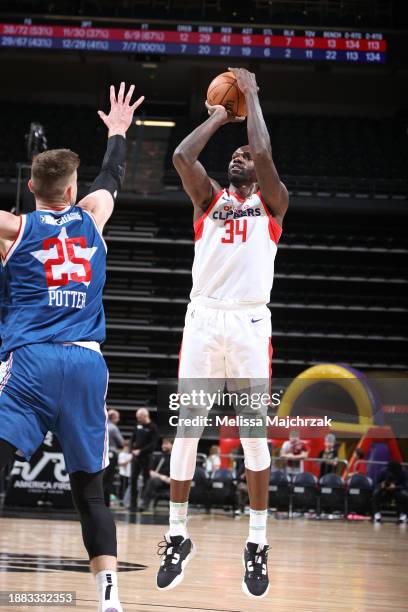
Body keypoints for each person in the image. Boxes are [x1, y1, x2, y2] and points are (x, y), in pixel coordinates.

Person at [0, 82, 144, 612]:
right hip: (86, 362)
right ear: (70, 189)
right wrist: (118, 132)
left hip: (32, 362)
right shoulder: (93, 217)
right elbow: (112, 177)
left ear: (35, 188)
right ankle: (109, 599)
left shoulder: (14, 228)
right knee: (91, 492)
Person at [156, 67, 289, 598]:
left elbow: (265, 153)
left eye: (245, 156)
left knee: (253, 436)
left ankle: (256, 542)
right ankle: (176, 534)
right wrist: (216, 116)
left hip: (250, 322)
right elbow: (183, 158)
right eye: (234, 155)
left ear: (257, 169)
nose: (239, 156)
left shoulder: (273, 202)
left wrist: (251, 94)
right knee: (188, 430)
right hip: (204, 318)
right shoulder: (208, 199)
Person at [129, 407, 158, 511]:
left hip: (146, 457)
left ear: (145, 416)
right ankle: (133, 504)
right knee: (133, 479)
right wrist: (131, 449)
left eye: (139, 417)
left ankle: (144, 504)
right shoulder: (137, 426)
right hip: (135, 457)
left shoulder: (153, 427)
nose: (138, 419)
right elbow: (132, 438)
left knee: (147, 480)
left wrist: (140, 451)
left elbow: (152, 445)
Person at [138, 438, 173, 511]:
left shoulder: (177, 458)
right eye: (163, 444)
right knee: (152, 480)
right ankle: (144, 504)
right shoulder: (159, 457)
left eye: (166, 444)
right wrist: (162, 477)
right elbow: (151, 472)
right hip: (161, 480)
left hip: (174, 481)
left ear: (172, 445)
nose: (163, 446)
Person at [103, 409, 125, 506]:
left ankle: (101, 501)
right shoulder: (113, 428)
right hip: (111, 454)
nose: (119, 419)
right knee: (108, 479)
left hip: (101, 454)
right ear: (113, 418)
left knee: (102, 478)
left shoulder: (102, 425)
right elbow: (121, 442)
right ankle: (106, 502)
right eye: (117, 417)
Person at [118, 440, 133, 504]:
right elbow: (121, 464)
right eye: (126, 446)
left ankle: (126, 500)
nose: (127, 448)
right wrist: (129, 460)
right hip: (123, 473)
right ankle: (121, 500)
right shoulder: (121, 454)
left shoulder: (131, 454)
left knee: (128, 488)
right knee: (123, 488)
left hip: (129, 473)